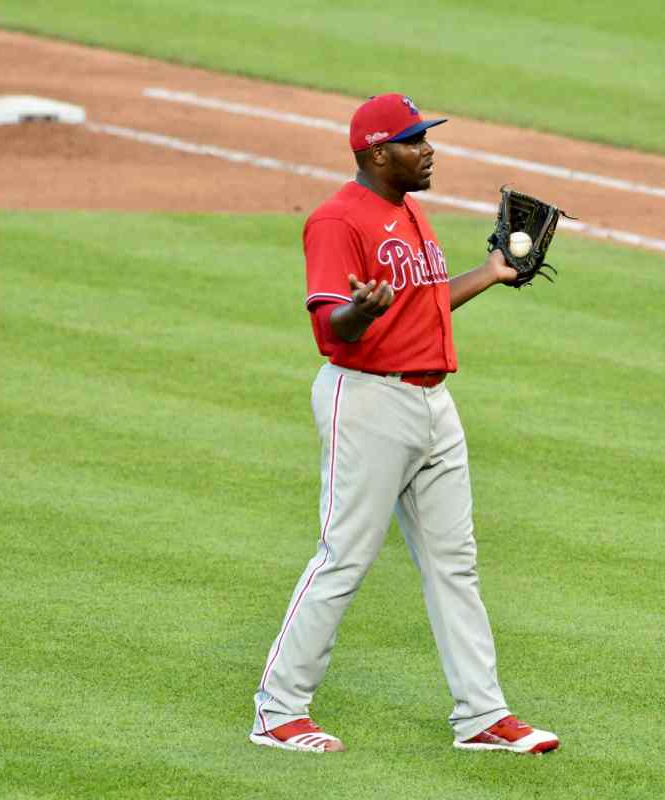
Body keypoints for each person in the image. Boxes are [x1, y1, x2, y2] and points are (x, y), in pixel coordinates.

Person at [249, 93, 559, 755]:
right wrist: (361, 312)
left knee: (456, 563)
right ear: (377, 152)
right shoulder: (337, 220)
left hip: (432, 403)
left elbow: (425, 305)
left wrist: (493, 271)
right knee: (344, 558)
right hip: (366, 400)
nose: (430, 150)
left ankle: (481, 715)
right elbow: (331, 328)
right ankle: (278, 711)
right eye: (415, 140)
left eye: (428, 138)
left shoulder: (411, 211)